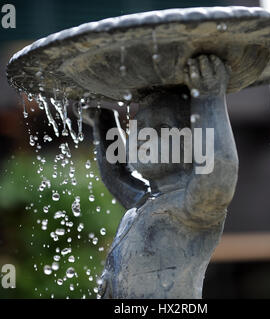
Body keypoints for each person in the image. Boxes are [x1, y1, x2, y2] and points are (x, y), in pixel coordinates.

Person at [83, 55, 238, 298]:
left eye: (162, 128)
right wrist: (103, 121)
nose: (144, 135)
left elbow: (219, 171)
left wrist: (210, 98)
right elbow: (117, 176)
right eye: (138, 126)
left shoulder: (191, 206)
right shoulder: (145, 200)